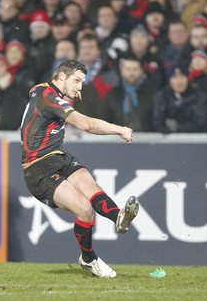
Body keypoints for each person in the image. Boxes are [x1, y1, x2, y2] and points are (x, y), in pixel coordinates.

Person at [20, 59, 139, 278]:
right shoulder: (49, 98)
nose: (79, 87)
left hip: (58, 157)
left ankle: (119, 217)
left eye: (82, 82)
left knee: (87, 181)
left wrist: (67, 92)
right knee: (84, 209)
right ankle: (89, 259)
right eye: (77, 81)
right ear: (62, 76)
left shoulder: (41, 90)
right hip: (38, 168)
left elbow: (33, 90)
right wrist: (119, 129)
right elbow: (86, 124)